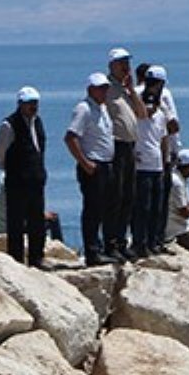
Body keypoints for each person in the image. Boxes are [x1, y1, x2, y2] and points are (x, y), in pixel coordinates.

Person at [0, 86, 48, 267]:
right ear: (20, 104)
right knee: (15, 222)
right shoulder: (9, 125)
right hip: (17, 181)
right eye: (29, 103)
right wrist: (12, 169)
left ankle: (36, 258)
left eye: (35, 103)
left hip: (36, 180)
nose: (33, 107)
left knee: (37, 221)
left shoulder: (37, 122)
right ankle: (15, 260)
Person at [65, 72, 116, 265]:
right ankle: (92, 252)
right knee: (93, 210)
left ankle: (101, 246)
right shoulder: (84, 108)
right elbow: (71, 137)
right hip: (93, 165)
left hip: (106, 163)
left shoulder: (102, 109)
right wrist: (85, 163)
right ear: (90, 90)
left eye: (106, 88)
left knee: (104, 208)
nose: (104, 92)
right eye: (100, 88)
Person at [104, 48, 149, 257]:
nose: (125, 67)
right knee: (115, 197)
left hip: (130, 146)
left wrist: (131, 90)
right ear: (112, 65)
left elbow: (142, 114)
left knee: (128, 196)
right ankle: (111, 243)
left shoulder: (125, 90)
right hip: (115, 146)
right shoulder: (106, 88)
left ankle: (122, 242)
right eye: (121, 63)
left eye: (127, 63)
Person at [132, 66, 171, 256]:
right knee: (143, 207)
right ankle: (141, 242)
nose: (150, 106)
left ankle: (155, 241)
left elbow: (164, 139)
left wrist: (166, 161)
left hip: (157, 164)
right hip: (142, 164)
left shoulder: (161, 116)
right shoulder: (139, 116)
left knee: (157, 207)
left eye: (153, 103)